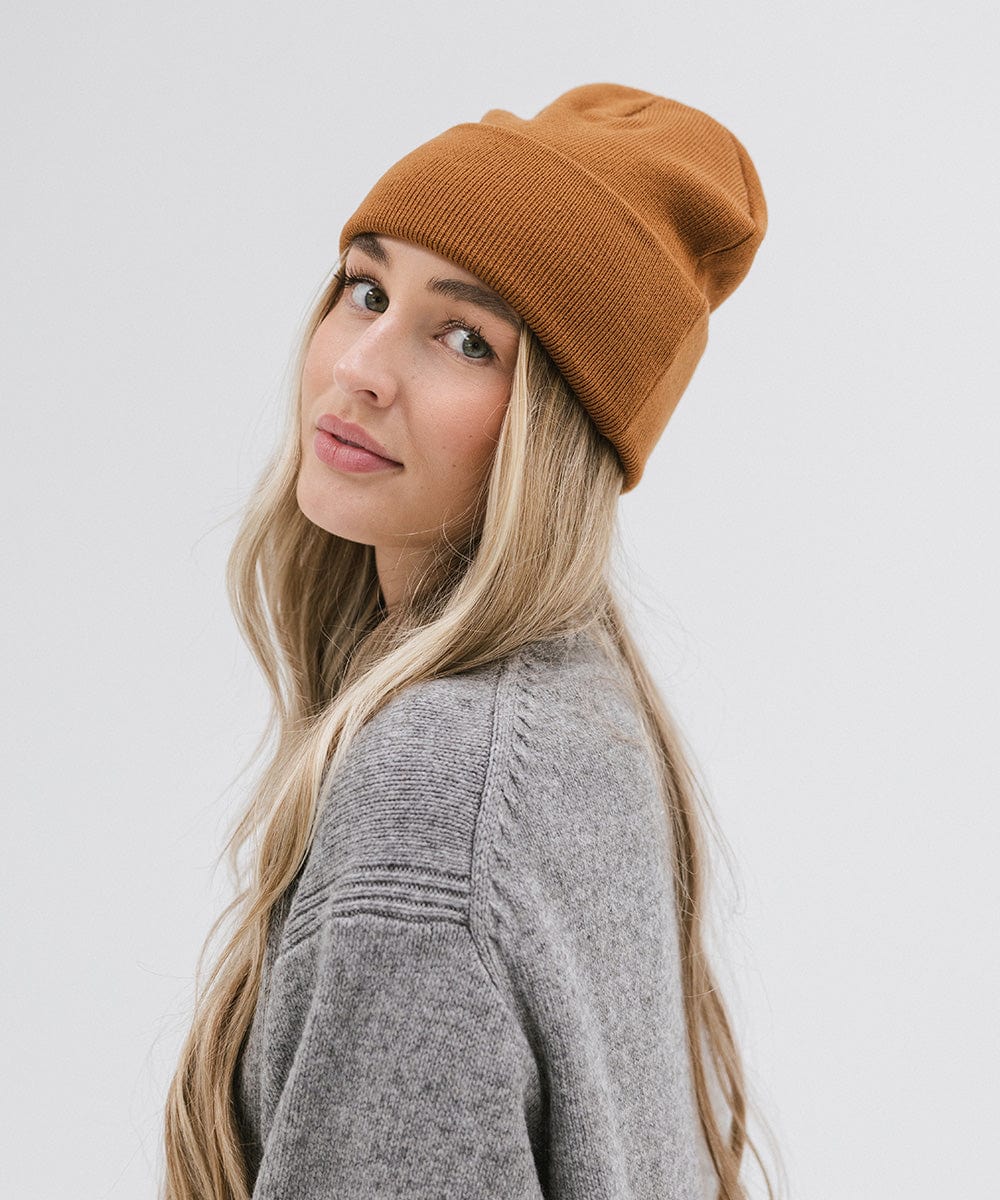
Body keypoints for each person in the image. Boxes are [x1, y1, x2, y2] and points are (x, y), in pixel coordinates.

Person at [162, 82, 775, 1200]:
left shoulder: (435, 802)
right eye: (365, 289)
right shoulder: (582, 708)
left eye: (464, 338)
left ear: (558, 426)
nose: (359, 366)